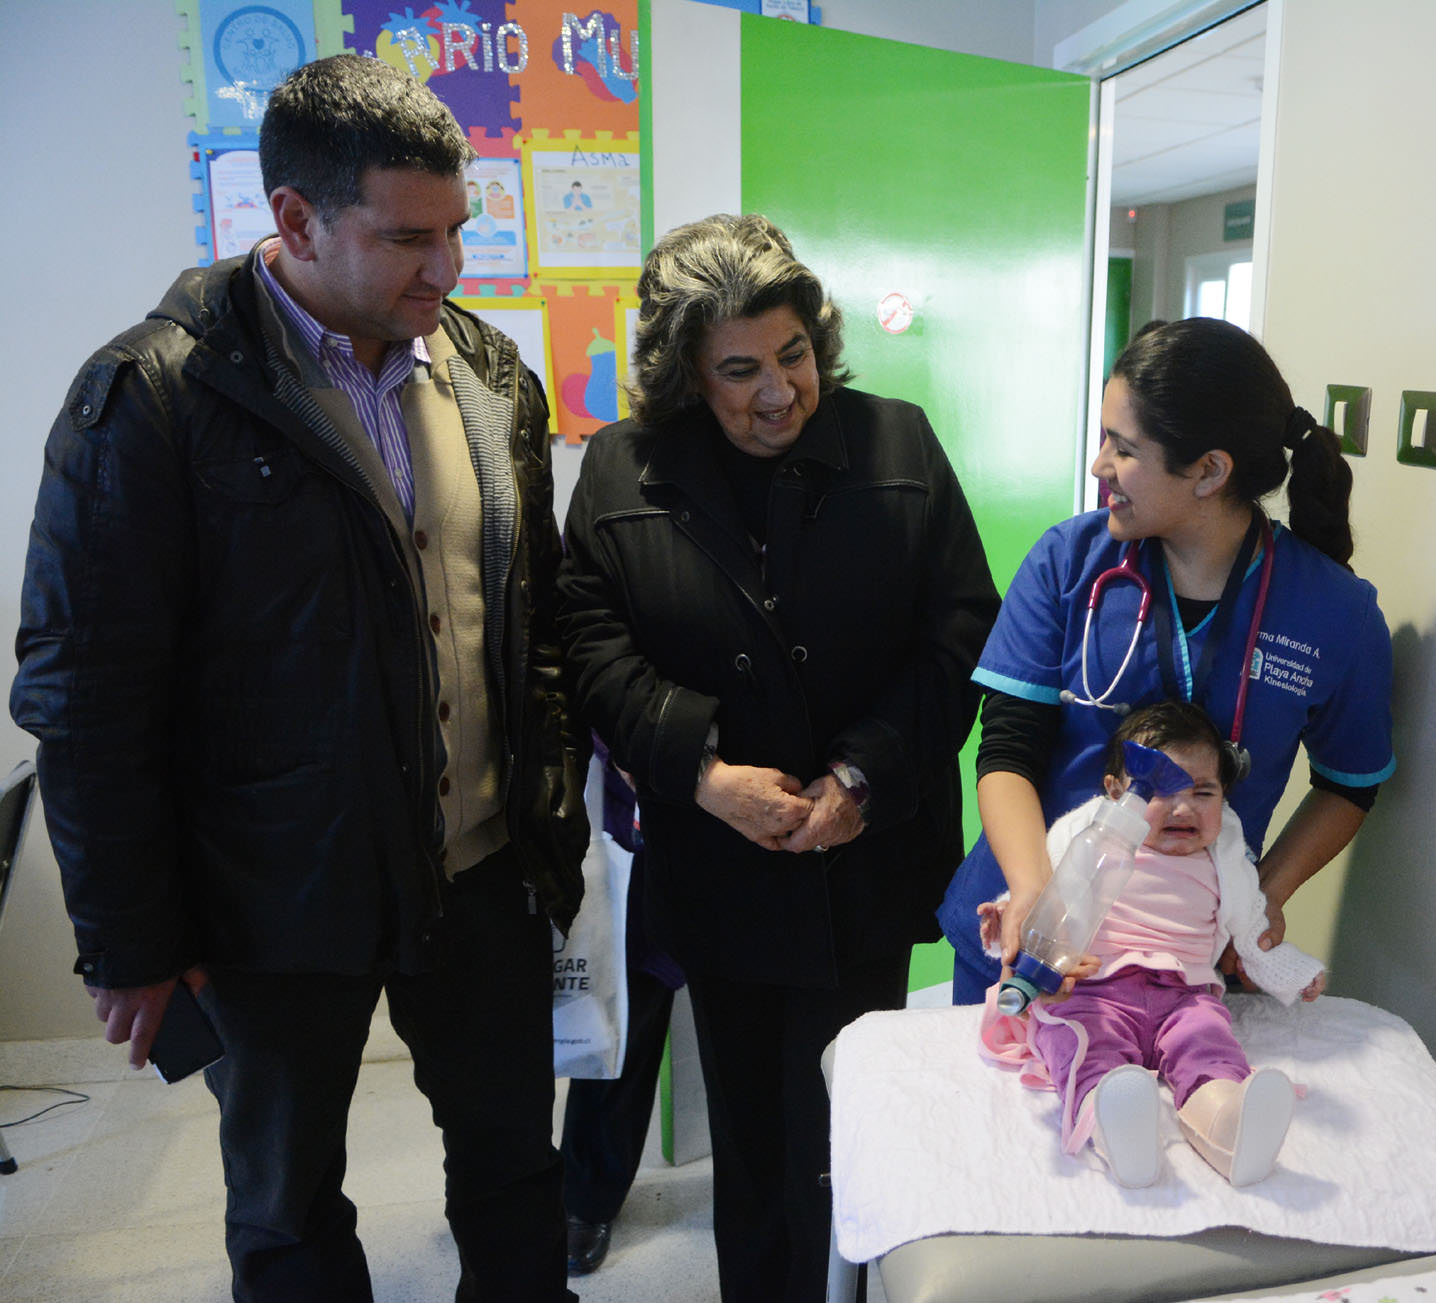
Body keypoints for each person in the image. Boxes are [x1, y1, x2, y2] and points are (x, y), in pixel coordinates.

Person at [10, 55, 587, 1302]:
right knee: (286, 1208)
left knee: (514, 1172)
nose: (446, 268)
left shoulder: (489, 374)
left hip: (479, 873)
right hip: (270, 899)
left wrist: (552, 816)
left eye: (457, 231)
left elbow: (533, 618)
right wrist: (128, 938)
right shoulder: (154, 397)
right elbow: (86, 693)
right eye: (407, 239)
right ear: (295, 218)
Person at [558, 212, 999, 1301]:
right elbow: (588, 644)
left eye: (793, 354)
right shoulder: (621, 466)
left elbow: (960, 632)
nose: (778, 392)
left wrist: (862, 776)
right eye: (739, 369)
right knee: (754, 1140)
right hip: (718, 867)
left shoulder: (898, 442)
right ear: (684, 373)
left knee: (853, 1130)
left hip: (862, 859)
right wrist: (701, 773)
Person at [937, 316, 1395, 1006]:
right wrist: (1037, 894)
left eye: (1123, 449)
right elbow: (1006, 748)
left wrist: (1261, 898)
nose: (1099, 466)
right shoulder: (1068, 563)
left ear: (1209, 471)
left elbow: (1348, 784)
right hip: (1034, 937)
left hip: (1186, 952)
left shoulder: (1335, 612)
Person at [978, 702, 1327, 1189]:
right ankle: (1117, 1123)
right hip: (1092, 993)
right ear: (1115, 792)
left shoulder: (1225, 860)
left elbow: (1251, 927)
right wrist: (1007, 921)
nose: (1184, 808)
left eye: (1203, 792)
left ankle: (1228, 1122)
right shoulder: (1088, 838)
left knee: (1208, 1044)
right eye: (1160, 791)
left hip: (1186, 996)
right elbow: (1049, 901)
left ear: (1224, 797)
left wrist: (1290, 970)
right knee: (1083, 1047)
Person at [559, 738, 684, 1278]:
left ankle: (781, 1189)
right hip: (627, 806)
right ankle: (586, 1193)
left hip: (747, 806)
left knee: (752, 1021)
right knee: (622, 1010)